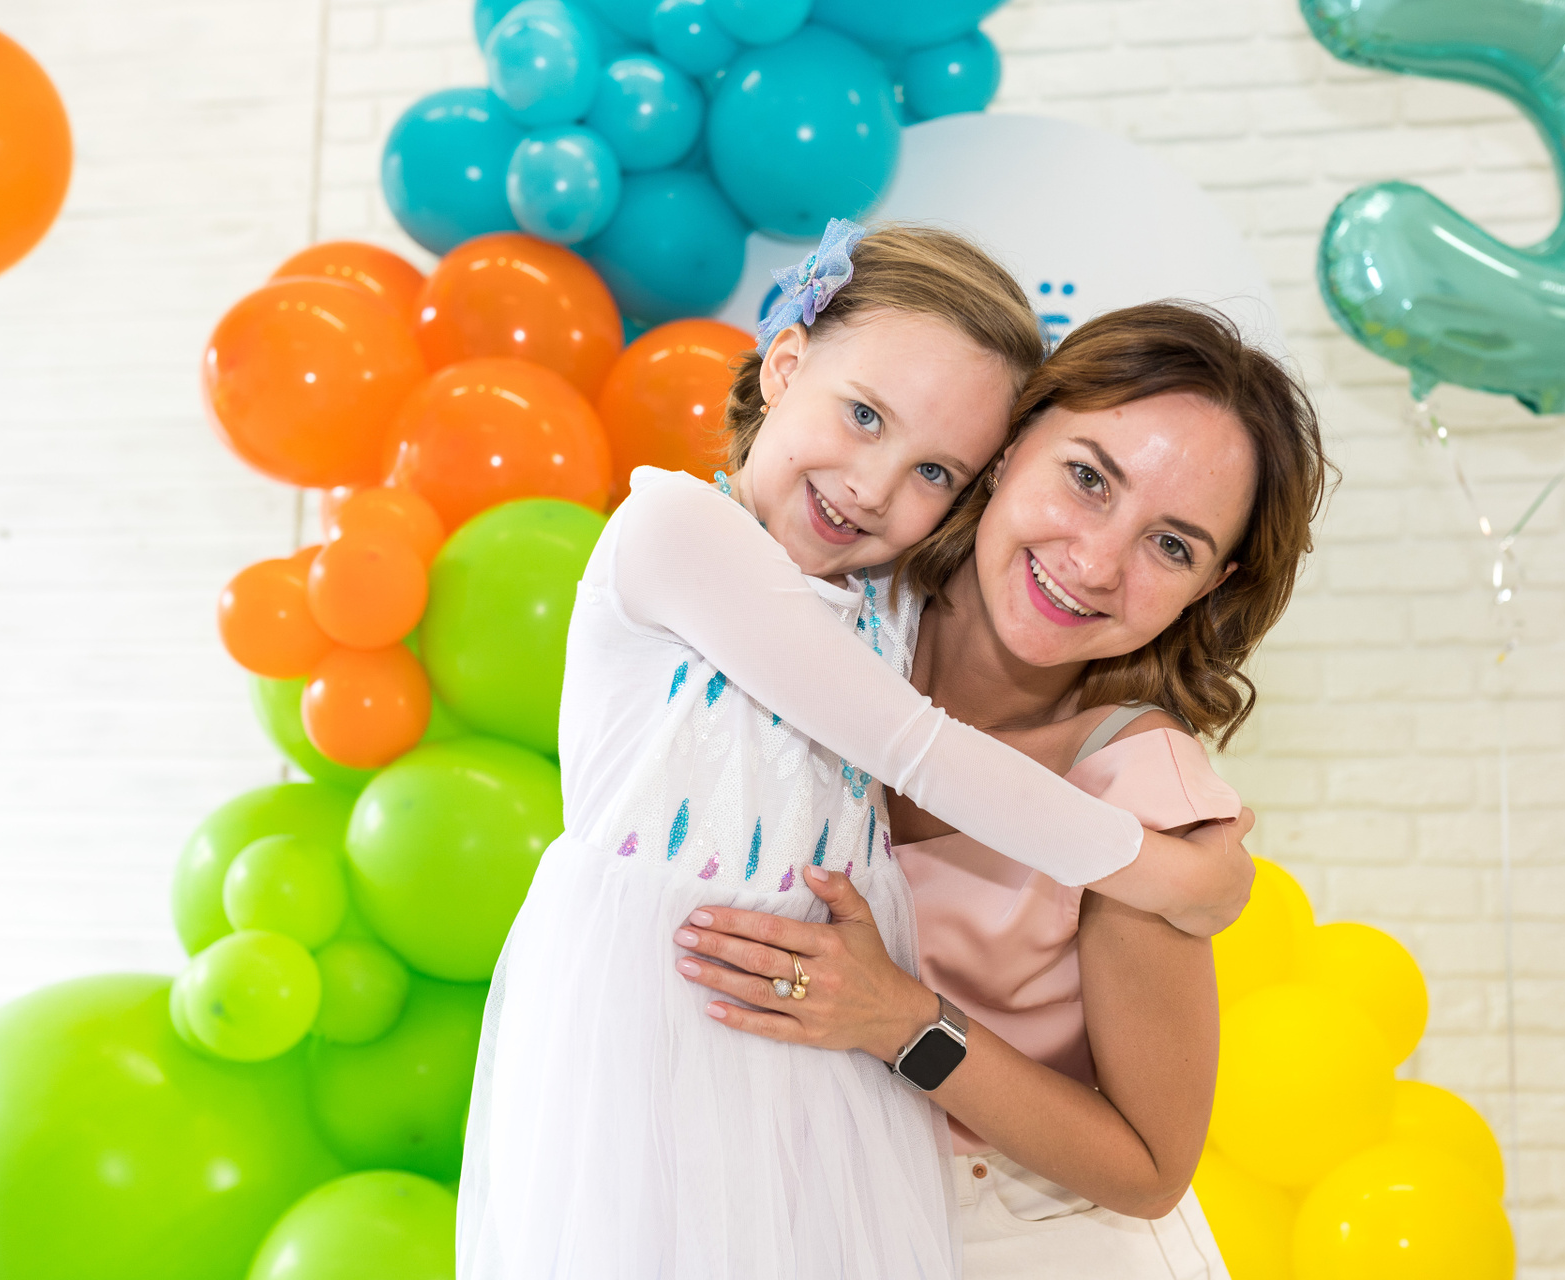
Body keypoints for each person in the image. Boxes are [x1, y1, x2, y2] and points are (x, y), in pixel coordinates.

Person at [456, 228, 1258, 1280]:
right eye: (865, 416)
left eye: (931, 469)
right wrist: (1178, 875)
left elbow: (1151, 1169)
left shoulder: (876, 605)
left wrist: (907, 1020)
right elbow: (912, 745)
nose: (875, 488)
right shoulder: (704, 540)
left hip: (952, 1191)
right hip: (665, 1042)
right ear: (785, 364)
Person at [672, 302, 1329, 1278]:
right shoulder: (833, 617)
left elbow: (1151, 1167)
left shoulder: (1139, 785)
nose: (1094, 563)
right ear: (1012, 443)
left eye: (1172, 546)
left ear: (1210, 586)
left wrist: (902, 1020)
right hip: (797, 1219)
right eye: (1088, 478)